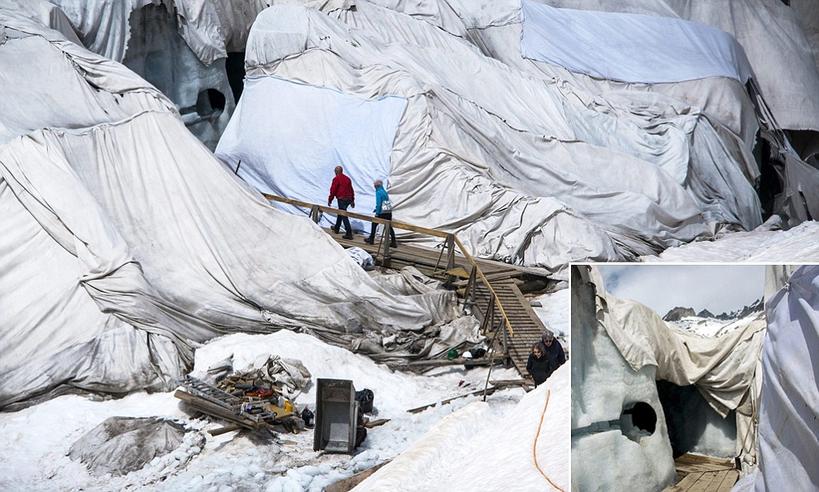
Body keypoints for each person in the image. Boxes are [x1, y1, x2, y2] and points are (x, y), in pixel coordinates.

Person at [364, 179, 397, 247]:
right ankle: (393, 241)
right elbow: (385, 202)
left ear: (376, 186)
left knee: (374, 223)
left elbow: (379, 203)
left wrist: (377, 212)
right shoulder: (384, 192)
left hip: (382, 212)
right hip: (388, 210)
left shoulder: (378, 192)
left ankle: (371, 239)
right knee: (389, 226)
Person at [328, 166, 355, 240]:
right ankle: (337, 228)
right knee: (341, 212)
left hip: (342, 199)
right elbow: (351, 190)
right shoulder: (347, 179)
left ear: (336, 171)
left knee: (343, 215)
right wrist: (352, 200)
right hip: (348, 199)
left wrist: (330, 199)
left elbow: (333, 190)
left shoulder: (336, 179)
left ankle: (349, 232)